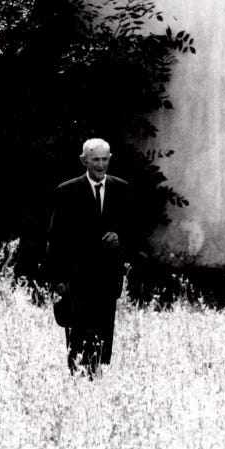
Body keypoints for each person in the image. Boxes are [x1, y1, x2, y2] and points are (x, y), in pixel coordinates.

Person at [44, 138, 137, 377]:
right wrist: (58, 279)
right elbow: (56, 238)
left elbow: (134, 229)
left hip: (107, 277)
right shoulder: (67, 191)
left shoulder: (122, 188)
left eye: (105, 159)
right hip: (76, 278)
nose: (100, 165)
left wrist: (120, 238)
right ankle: (77, 378)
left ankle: (99, 379)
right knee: (77, 333)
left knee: (104, 331)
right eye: (95, 159)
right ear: (83, 160)